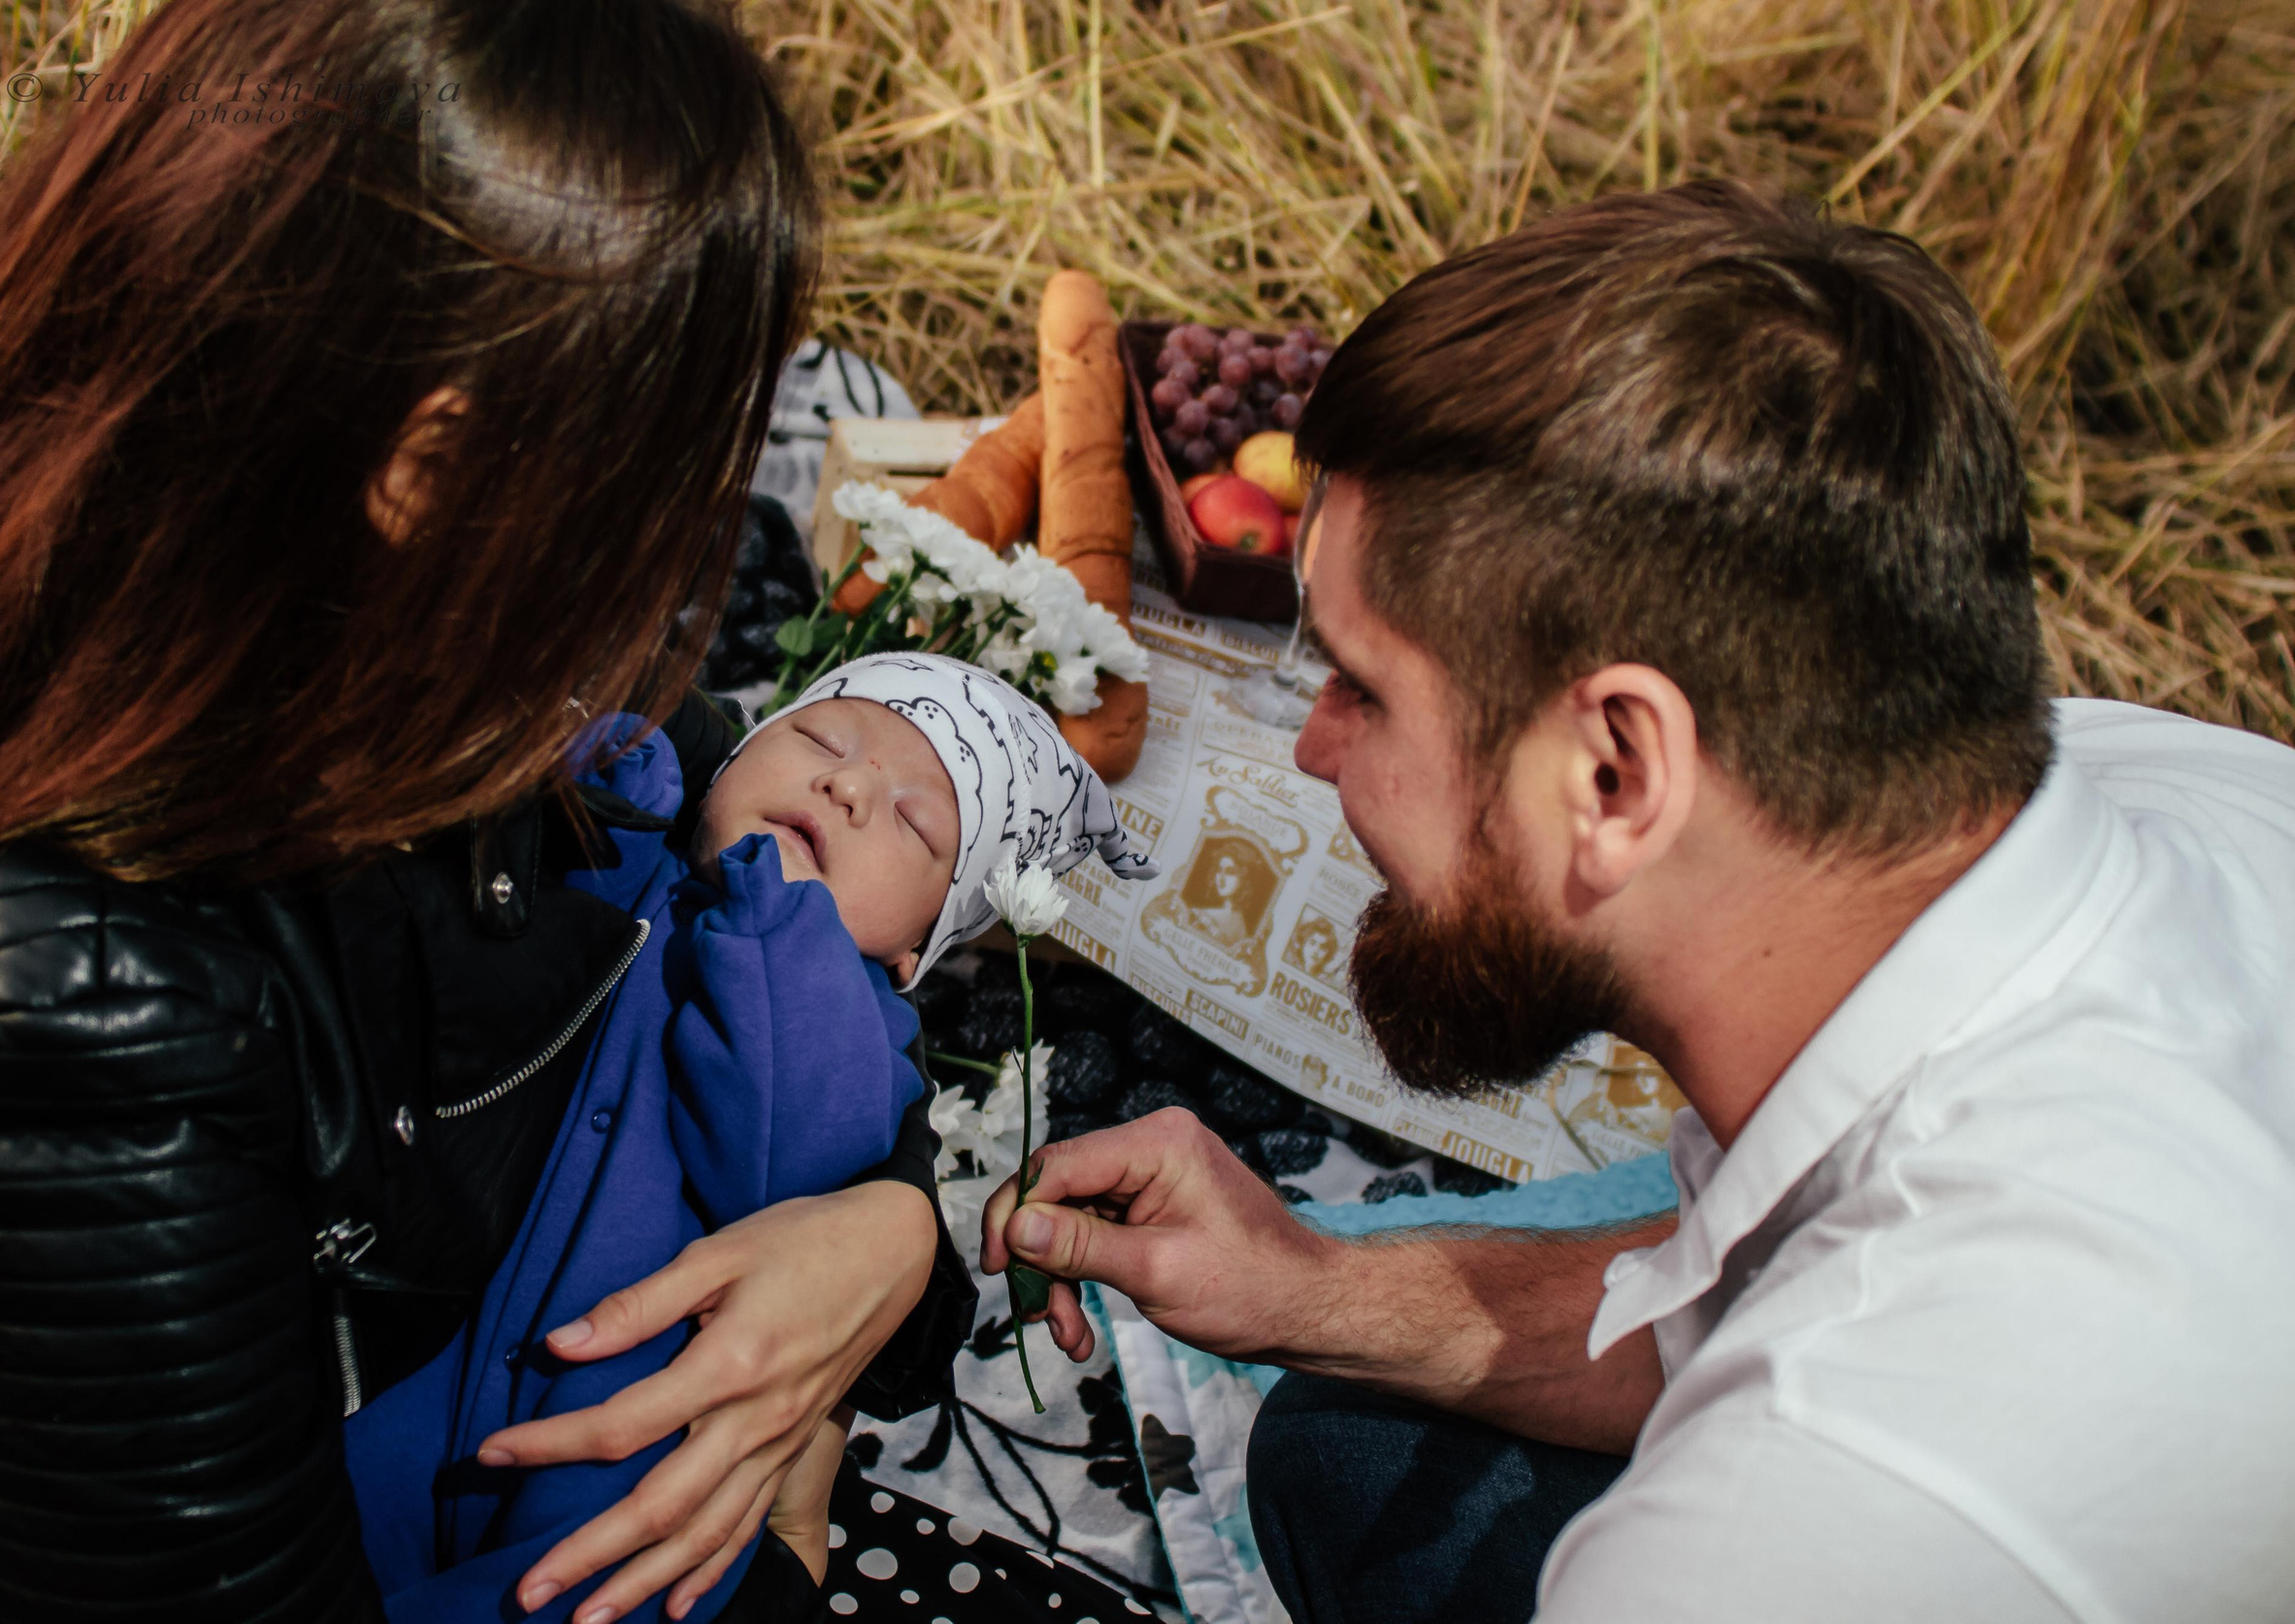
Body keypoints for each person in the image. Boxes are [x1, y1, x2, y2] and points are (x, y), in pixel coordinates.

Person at [983, 181, 2295, 1623]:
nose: (1309, 743)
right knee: (1344, 1448)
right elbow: (1710, 1295)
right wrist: (1310, 1289)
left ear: (1615, 769)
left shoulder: (1825, 1496)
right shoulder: (2122, 782)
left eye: (1362, 683)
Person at [0, 4, 972, 1620]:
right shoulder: (73, 1019)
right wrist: (778, 1553)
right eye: (687, 440)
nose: (712, 517)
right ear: (439, 468)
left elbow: (774, 906)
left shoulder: (468, 649)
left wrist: (889, 1236)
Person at [344, 656, 1155, 1623]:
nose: (848, 786)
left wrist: (779, 916)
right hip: (439, 1359)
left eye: (912, 820)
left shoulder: (866, 1034)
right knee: (325, 1522)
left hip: (632, 1440)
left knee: (581, 1590)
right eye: (819, 740)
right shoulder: (644, 871)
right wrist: (624, 767)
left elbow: (785, 1146)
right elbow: (575, 771)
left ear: (914, 949)